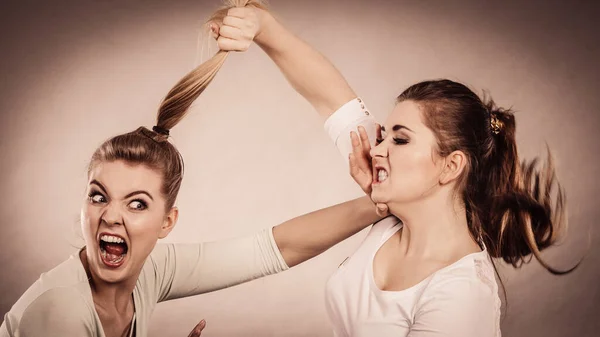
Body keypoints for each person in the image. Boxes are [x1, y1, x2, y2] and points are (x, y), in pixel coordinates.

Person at [0, 1, 386, 336]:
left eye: (136, 204)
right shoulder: (59, 312)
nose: (110, 216)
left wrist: (383, 203)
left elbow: (273, 247)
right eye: (98, 196)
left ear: (167, 222)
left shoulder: (150, 270)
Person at [211, 5, 575, 336]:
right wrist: (262, 26)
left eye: (399, 141)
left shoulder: (461, 293)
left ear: (450, 166)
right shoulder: (393, 218)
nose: (378, 149)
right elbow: (329, 96)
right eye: (384, 135)